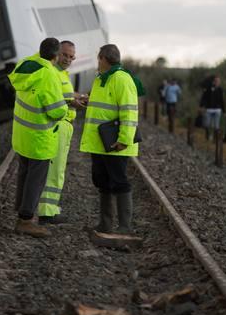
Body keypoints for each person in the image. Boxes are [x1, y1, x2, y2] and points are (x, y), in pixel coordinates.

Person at [8, 38, 69, 238]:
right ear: (56, 55)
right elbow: (56, 111)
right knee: (36, 179)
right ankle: (26, 220)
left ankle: (21, 212)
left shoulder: (25, 65)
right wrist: (67, 106)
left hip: (22, 134)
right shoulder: (49, 75)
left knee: (24, 174)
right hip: (40, 137)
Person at [80, 43, 139, 234]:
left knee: (119, 181)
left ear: (104, 59)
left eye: (98, 58)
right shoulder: (101, 79)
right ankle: (105, 224)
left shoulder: (122, 79)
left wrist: (124, 140)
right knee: (102, 181)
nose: (97, 62)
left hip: (115, 143)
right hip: (99, 143)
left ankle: (125, 227)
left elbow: (129, 112)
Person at [37, 40, 87, 225]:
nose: (68, 59)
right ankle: (47, 213)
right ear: (57, 53)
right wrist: (72, 101)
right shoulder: (53, 72)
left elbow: (62, 94)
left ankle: (49, 209)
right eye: (65, 55)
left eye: (71, 56)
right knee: (54, 171)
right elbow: (53, 97)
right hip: (57, 125)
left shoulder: (61, 73)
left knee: (57, 171)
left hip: (63, 126)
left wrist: (77, 96)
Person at [200, 75, 225, 140]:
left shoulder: (220, 89)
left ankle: (215, 139)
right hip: (209, 109)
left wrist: (224, 110)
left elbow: (222, 100)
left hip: (217, 109)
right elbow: (203, 98)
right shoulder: (208, 88)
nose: (217, 82)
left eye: (219, 81)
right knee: (207, 124)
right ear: (213, 82)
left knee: (216, 126)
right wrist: (202, 106)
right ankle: (208, 136)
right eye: (216, 81)